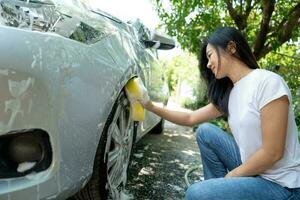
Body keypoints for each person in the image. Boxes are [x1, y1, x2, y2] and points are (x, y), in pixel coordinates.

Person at [137, 27, 300, 200]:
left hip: (283, 186)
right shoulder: (231, 93)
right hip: (256, 172)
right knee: (206, 131)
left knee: (195, 193)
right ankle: (214, 191)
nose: (208, 64)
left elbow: (273, 152)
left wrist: (229, 178)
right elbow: (190, 118)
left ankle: (211, 192)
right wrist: (150, 106)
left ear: (231, 48)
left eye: (209, 55)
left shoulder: (267, 82)